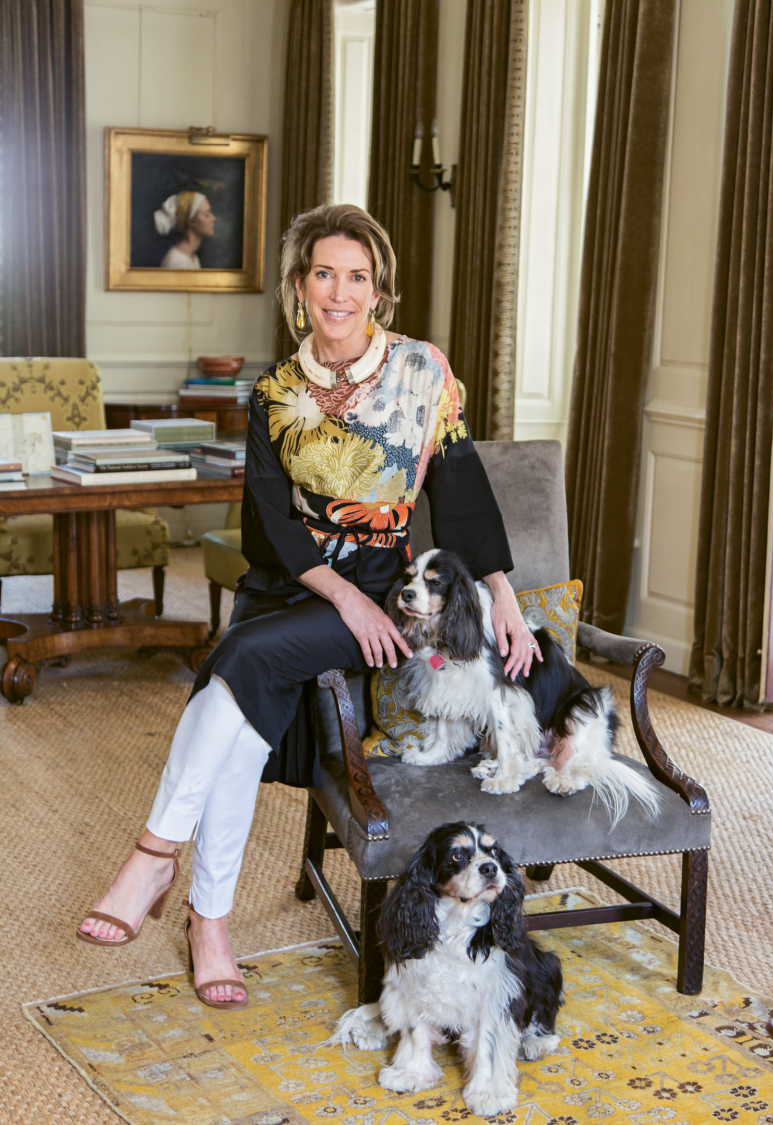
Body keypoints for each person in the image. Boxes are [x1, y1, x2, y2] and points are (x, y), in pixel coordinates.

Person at [77, 203, 542, 1009]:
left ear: (378, 290)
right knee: (241, 713)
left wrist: (502, 593)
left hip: (383, 590)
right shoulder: (274, 391)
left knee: (242, 660)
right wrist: (338, 599)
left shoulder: (425, 373)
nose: (340, 291)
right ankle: (207, 921)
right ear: (300, 287)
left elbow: (461, 493)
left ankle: (156, 853)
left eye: (356, 276)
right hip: (294, 583)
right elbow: (269, 519)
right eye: (324, 273)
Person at [155, 190, 216, 268]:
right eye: (206, 215)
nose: (214, 219)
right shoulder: (177, 262)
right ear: (191, 221)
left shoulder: (193, 257)